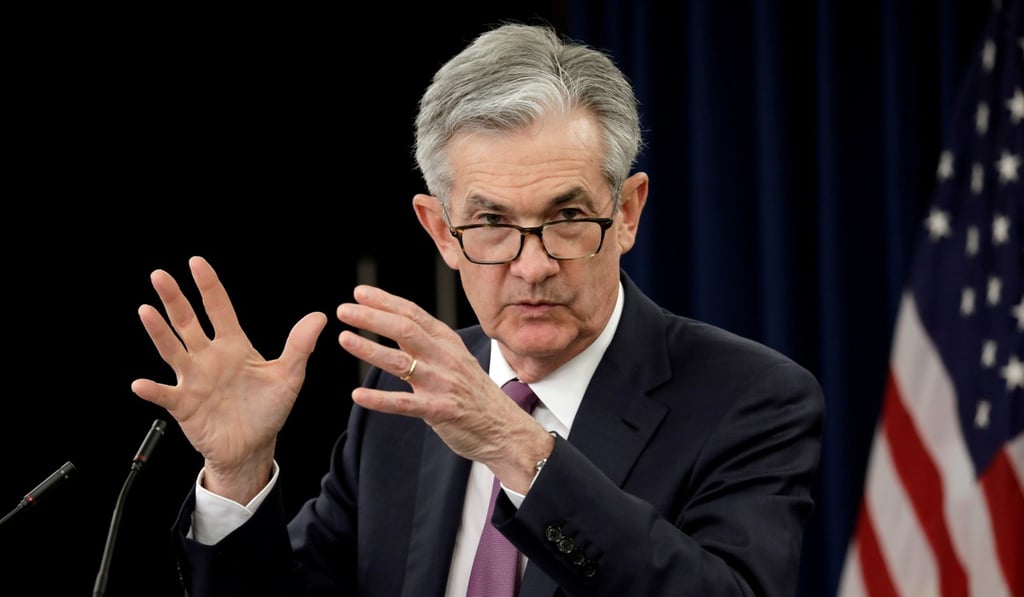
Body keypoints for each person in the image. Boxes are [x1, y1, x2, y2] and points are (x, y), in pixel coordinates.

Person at [132, 22, 825, 597]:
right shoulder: (404, 395)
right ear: (440, 231)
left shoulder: (752, 399)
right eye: (491, 223)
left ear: (628, 212)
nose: (532, 265)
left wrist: (515, 446)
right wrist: (239, 475)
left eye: (569, 216)